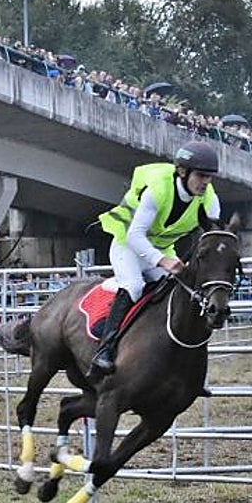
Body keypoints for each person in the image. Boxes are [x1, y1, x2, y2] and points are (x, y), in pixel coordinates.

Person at [91, 140, 222, 376]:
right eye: (201, 176)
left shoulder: (210, 200)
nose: (205, 182)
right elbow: (135, 236)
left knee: (182, 292)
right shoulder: (158, 190)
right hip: (127, 245)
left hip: (162, 249)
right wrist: (162, 261)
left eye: (209, 177)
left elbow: (210, 239)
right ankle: (104, 350)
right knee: (134, 286)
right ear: (183, 172)